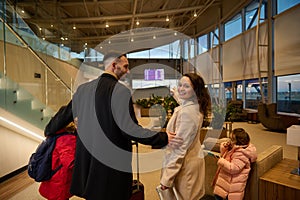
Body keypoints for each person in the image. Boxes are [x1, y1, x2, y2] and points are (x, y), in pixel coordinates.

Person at [44, 52, 181, 200]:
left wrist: (49, 129)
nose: (128, 71)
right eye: (125, 66)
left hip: (87, 165)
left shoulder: (83, 90)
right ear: (114, 66)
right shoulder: (120, 91)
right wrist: (162, 137)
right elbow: (130, 129)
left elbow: (64, 115)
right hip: (111, 167)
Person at [157, 73, 211, 200]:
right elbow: (183, 102)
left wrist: (167, 177)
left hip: (185, 167)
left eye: (186, 86)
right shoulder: (194, 105)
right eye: (180, 85)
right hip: (192, 160)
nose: (181, 89)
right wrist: (176, 94)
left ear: (195, 90)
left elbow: (179, 147)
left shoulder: (187, 113)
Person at [213, 128, 257, 200]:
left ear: (237, 141)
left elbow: (233, 168)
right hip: (225, 182)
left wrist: (221, 161)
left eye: (231, 139)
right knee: (218, 195)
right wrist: (224, 148)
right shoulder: (234, 149)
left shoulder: (242, 154)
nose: (229, 141)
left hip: (232, 188)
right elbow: (227, 157)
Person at [39, 118, 77, 200]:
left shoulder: (54, 135)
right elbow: (70, 163)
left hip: (52, 177)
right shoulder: (67, 139)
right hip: (60, 181)